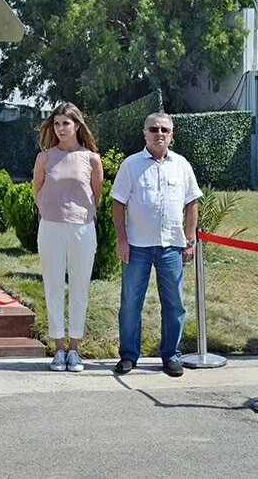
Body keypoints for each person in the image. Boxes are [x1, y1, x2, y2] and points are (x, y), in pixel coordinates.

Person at [111, 112, 201, 377]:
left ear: (171, 135)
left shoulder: (182, 165)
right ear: (145, 133)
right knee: (130, 304)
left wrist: (190, 238)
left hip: (171, 246)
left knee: (174, 303)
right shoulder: (131, 164)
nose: (159, 133)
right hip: (137, 246)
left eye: (164, 130)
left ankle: (171, 355)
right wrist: (121, 240)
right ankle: (128, 355)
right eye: (154, 129)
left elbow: (192, 202)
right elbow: (118, 203)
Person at [32, 103, 103, 373]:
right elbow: (37, 190)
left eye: (66, 123)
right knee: (52, 285)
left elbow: (96, 194)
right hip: (50, 227)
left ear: (77, 126)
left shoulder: (91, 158)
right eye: (57, 123)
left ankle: (75, 348)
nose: (61, 128)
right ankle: (58, 347)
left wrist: (79, 213)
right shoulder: (45, 158)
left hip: (82, 228)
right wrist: (51, 211)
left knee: (79, 286)